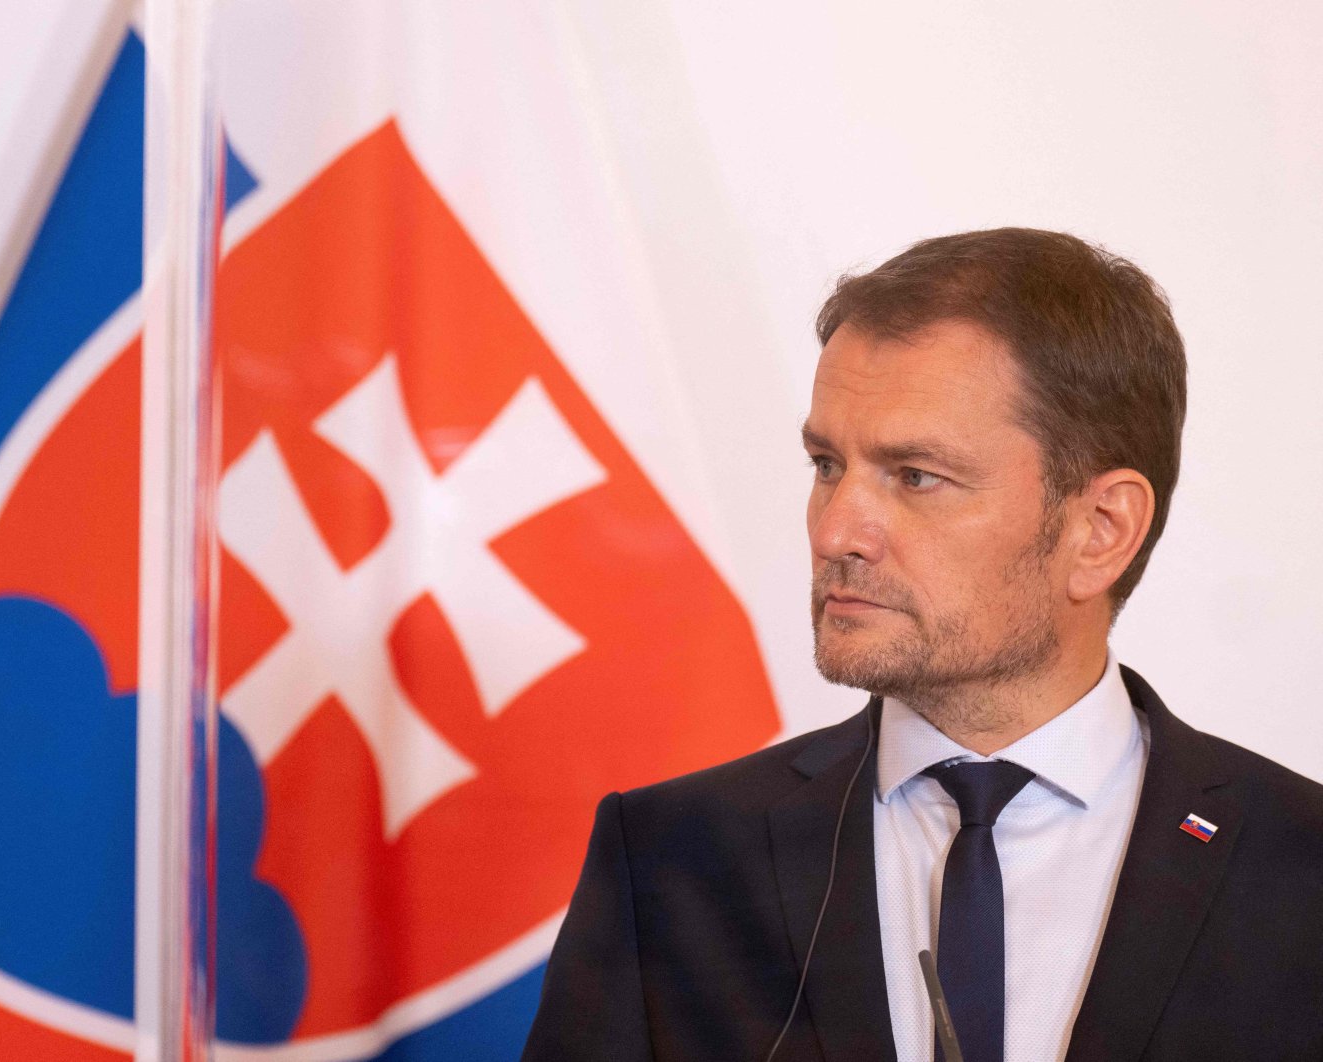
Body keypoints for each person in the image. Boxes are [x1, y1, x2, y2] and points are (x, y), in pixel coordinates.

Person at [520, 228, 1323, 1061]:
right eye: (827, 464)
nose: (836, 531)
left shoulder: (1302, 871)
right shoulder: (669, 861)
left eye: (915, 477)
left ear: (1100, 531)